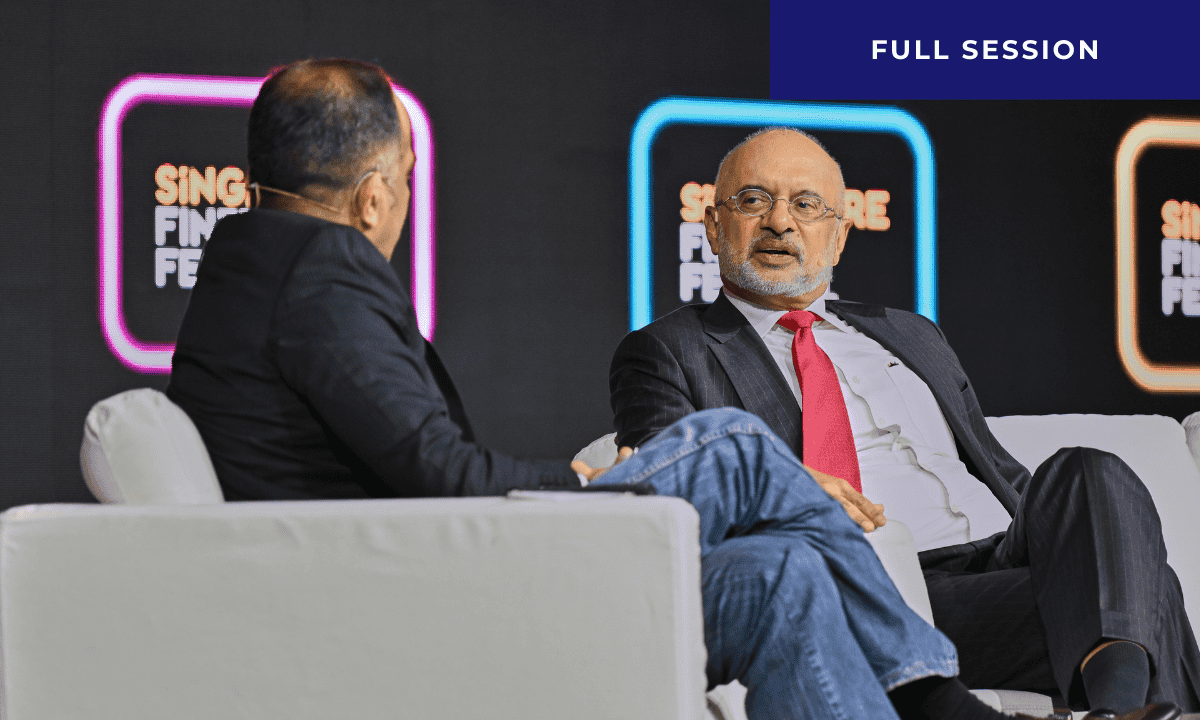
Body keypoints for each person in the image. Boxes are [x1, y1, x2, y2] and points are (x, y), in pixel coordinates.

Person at [165, 59, 1069, 720]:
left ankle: (920, 690)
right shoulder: (323, 279)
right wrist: (581, 484)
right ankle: (930, 691)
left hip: (411, 568)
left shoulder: (249, 270)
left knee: (784, 573)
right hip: (430, 590)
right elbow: (437, 471)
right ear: (371, 198)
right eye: (403, 183)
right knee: (738, 445)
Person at [609, 126, 1200, 717]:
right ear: (714, 227)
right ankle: (1123, 703)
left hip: (1008, 553)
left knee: (1090, 471)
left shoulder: (911, 331)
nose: (780, 222)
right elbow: (673, 486)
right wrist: (785, 488)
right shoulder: (668, 351)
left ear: (838, 238)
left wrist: (1077, 544)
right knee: (1149, 591)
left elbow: (995, 466)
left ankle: (1115, 704)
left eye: (806, 205)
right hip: (888, 587)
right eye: (754, 200)